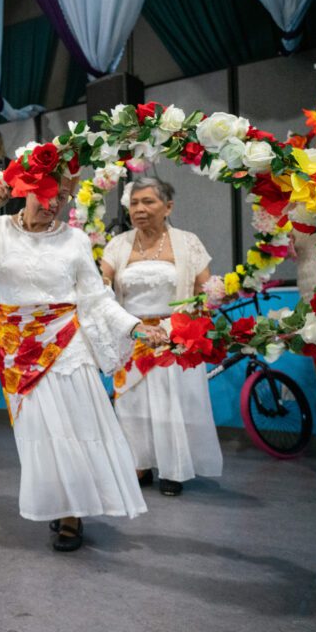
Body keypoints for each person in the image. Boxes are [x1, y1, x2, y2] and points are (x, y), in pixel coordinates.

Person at [0, 177, 165, 552]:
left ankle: (73, 514)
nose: (54, 204)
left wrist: (134, 326)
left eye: (62, 197)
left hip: (66, 342)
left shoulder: (74, 238)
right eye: (47, 195)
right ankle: (60, 502)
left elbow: (96, 298)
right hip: (16, 346)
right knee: (40, 432)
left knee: (74, 426)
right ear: (26, 192)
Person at [102, 178, 222, 497]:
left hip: (175, 335)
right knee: (131, 404)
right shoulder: (117, 245)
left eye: (148, 202)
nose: (139, 209)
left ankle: (173, 469)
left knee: (172, 406)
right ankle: (138, 465)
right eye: (135, 203)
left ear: (168, 207)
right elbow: (101, 285)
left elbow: (203, 289)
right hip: (132, 335)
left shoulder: (188, 242)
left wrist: (197, 317)